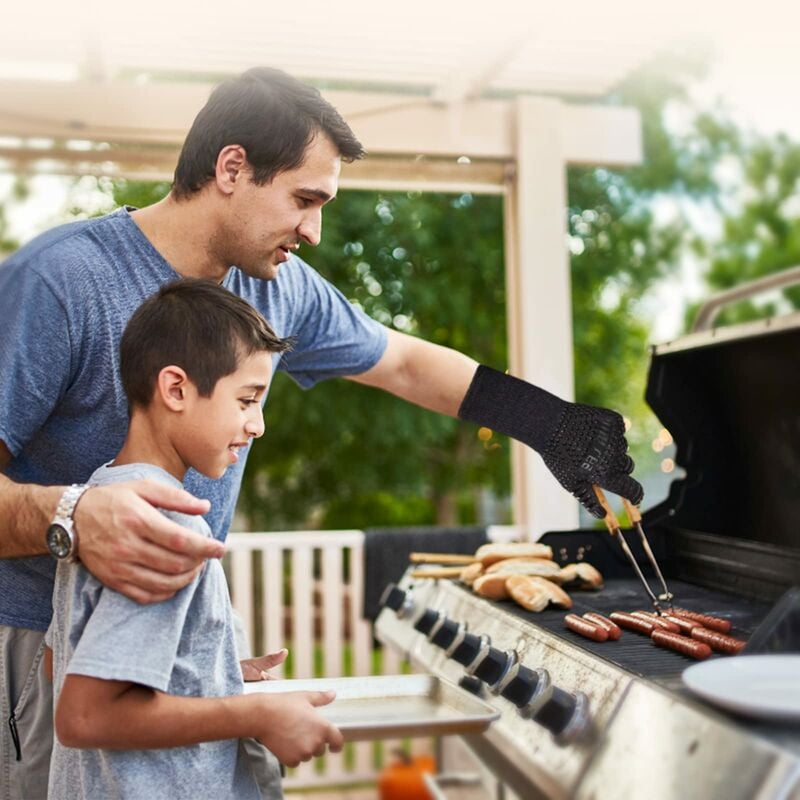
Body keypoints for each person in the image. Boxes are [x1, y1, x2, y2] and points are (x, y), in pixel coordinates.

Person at [0, 66, 642, 799]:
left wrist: (548, 423)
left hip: (147, 649)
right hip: (30, 646)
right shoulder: (61, 283)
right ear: (232, 168)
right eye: (305, 200)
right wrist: (70, 517)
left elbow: (400, 361)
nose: (313, 230)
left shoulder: (272, 287)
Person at [43, 279, 342, 799]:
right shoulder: (166, 522)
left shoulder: (103, 499)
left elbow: (61, 660)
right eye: (247, 400)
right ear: (176, 389)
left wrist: (210, 670)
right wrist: (255, 711)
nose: (258, 425)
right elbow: (86, 715)